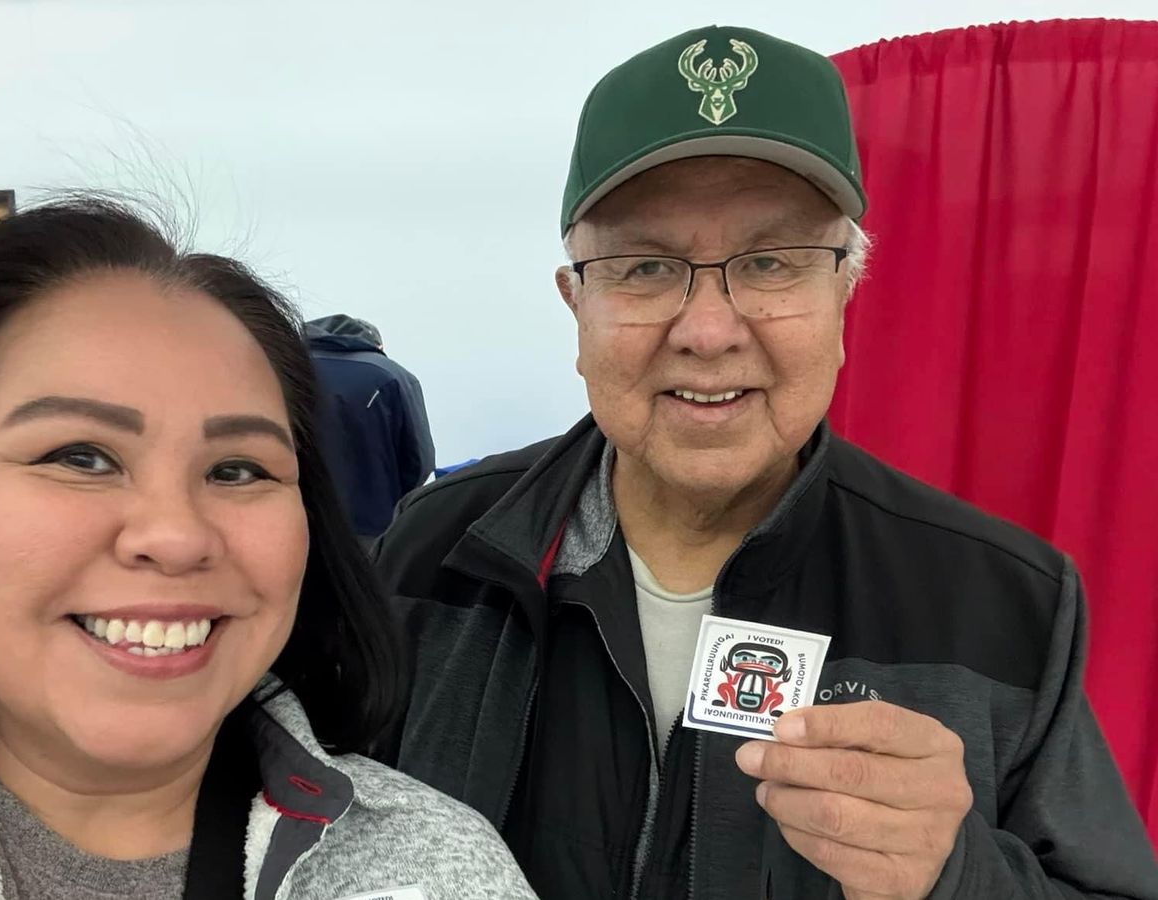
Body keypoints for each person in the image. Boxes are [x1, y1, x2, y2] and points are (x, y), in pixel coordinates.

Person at [374, 26, 1158, 900]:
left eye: (771, 263)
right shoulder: (431, 557)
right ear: (577, 304)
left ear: (844, 292)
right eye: (645, 267)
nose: (709, 332)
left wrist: (959, 875)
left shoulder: (1004, 602)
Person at [0, 199, 535, 900]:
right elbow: (415, 463)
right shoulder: (393, 382)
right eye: (81, 457)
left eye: (237, 470)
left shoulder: (435, 867)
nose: (176, 537)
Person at [307, 313, 435, 539]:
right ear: (377, 345)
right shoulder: (393, 374)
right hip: (372, 528)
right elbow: (420, 460)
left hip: (298, 526)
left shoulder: (282, 370)